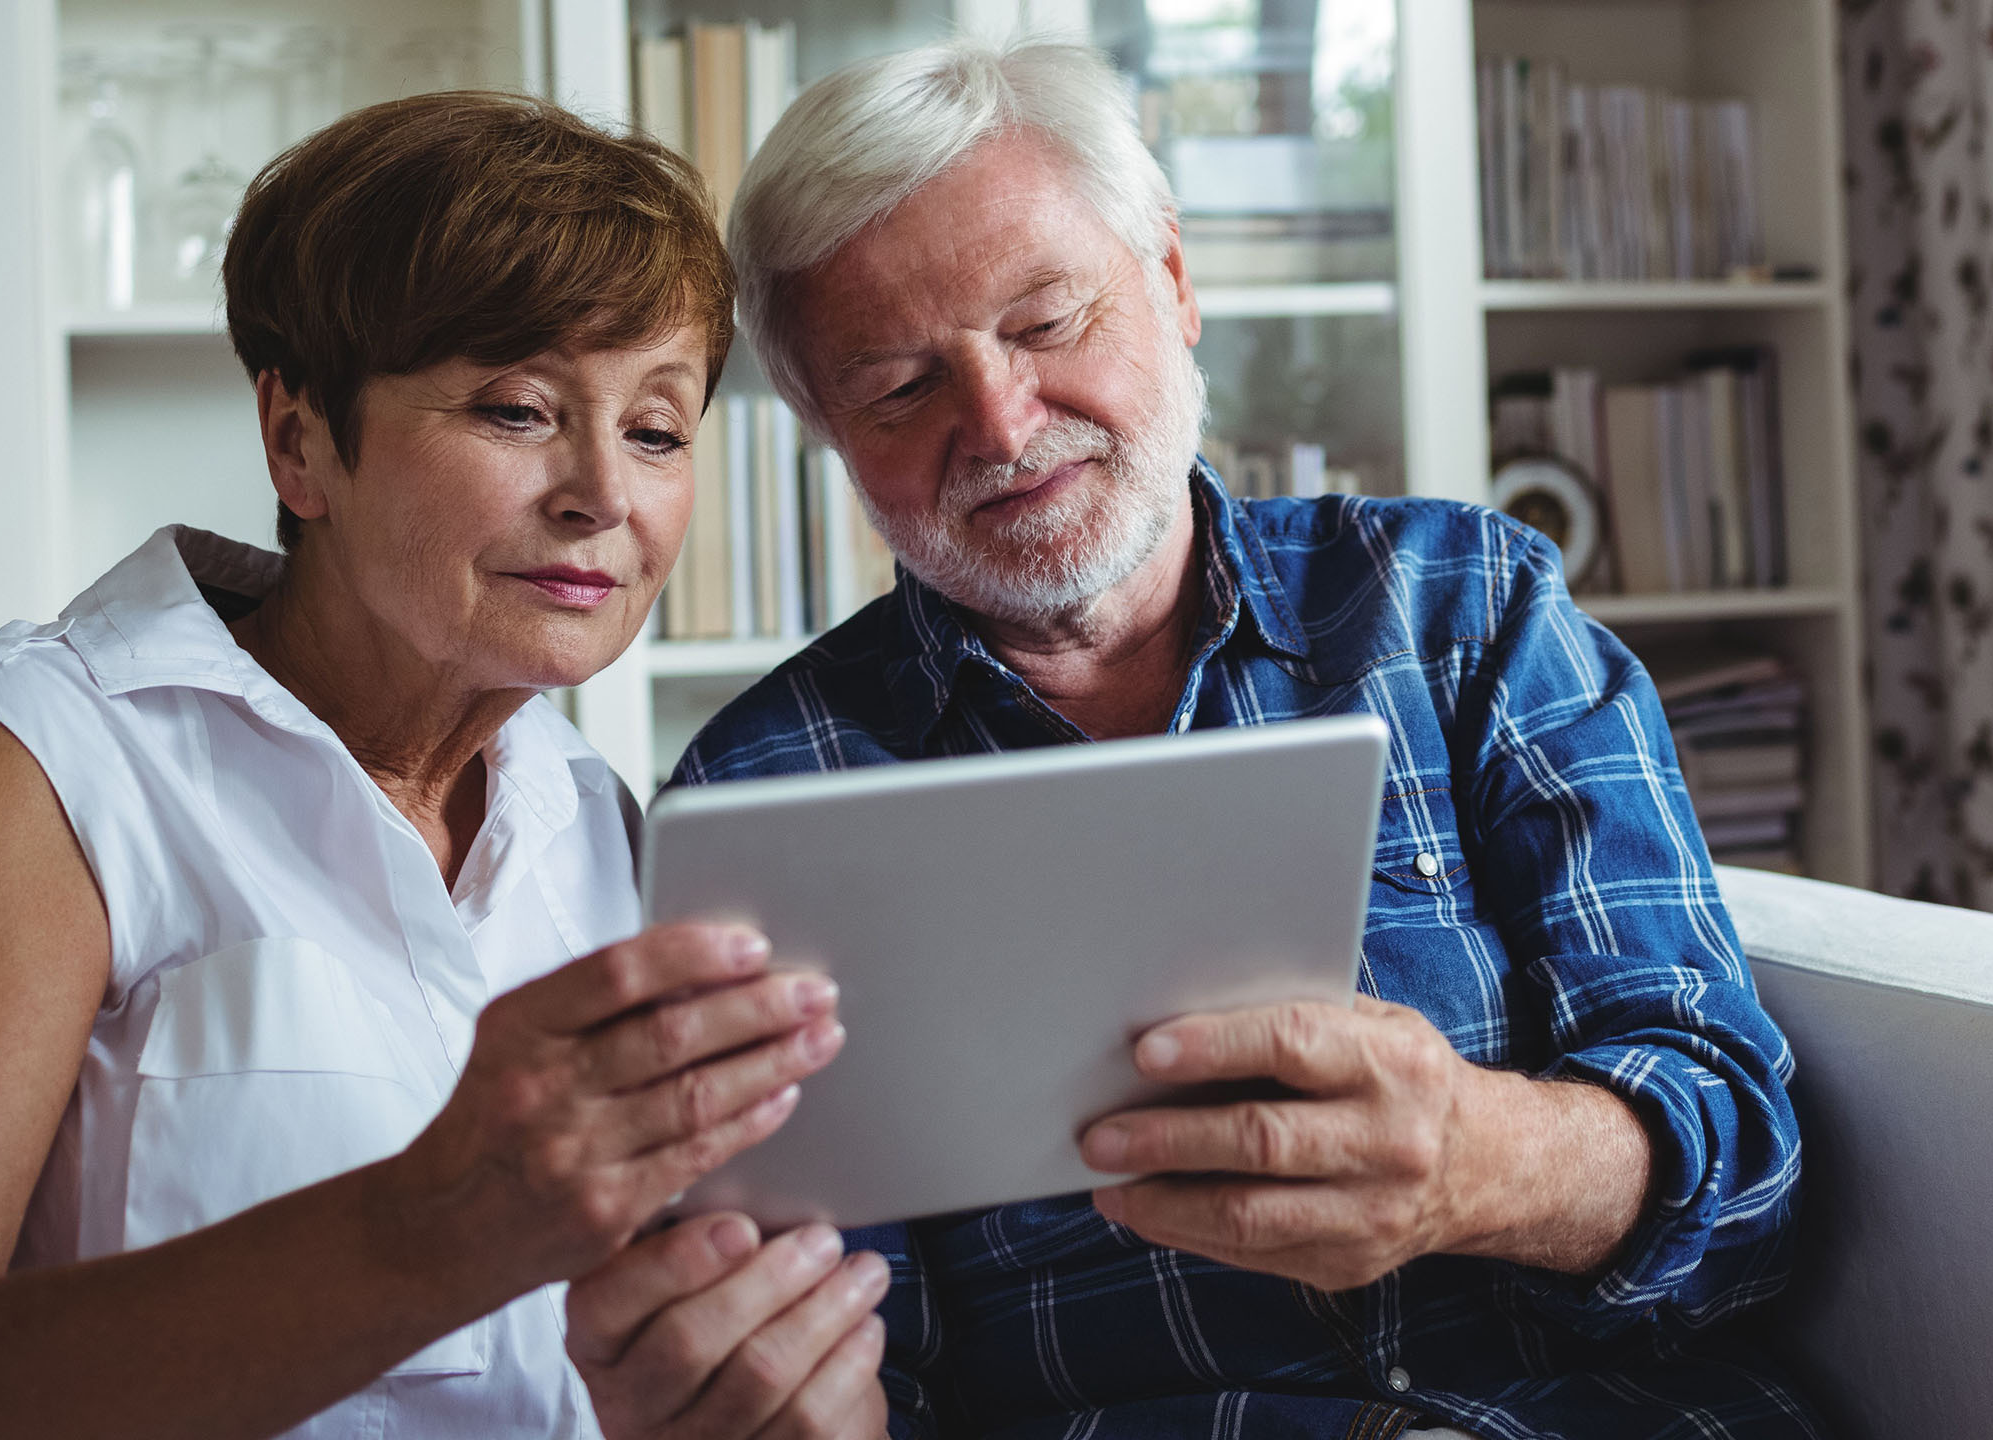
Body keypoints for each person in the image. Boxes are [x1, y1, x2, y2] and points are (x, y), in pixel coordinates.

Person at [0, 93, 889, 1439]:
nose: (603, 493)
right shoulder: (18, 773)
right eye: (517, 411)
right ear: (299, 442)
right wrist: (426, 1233)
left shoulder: (598, 824)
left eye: (656, 430)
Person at [658, 40, 1822, 1439]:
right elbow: (853, 1367)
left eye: (1044, 325)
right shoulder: (763, 790)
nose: (1001, 424)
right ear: (827, 433)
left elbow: (1746, 1177)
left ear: (1175, 281)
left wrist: (1482, 1161)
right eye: (901, 386)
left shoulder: (1463, 611)